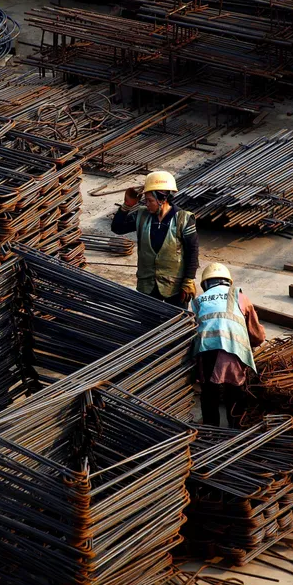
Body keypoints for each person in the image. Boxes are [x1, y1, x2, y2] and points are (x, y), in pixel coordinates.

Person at [192, 263, 266, 426]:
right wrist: (254, 343)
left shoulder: (197, 301)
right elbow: (257, 334)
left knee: (209, 395)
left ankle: (211, 433)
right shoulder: (240, 296)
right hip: (235, 352)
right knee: (236, 392)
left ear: (205, 284)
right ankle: (236, 430)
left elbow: (193, 334)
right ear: (228, 281)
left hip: (207, 353)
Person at [111, 170, 198, 306]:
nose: (146, 204)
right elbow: (117, 228)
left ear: (162, 199)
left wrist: (188, 280)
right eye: (145, 200)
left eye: (150, 201)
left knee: (177, 322)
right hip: (147, 284)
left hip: (174, 286)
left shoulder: (183, 219)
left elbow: (192, 252)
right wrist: (126, 206)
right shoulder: (142, 215)